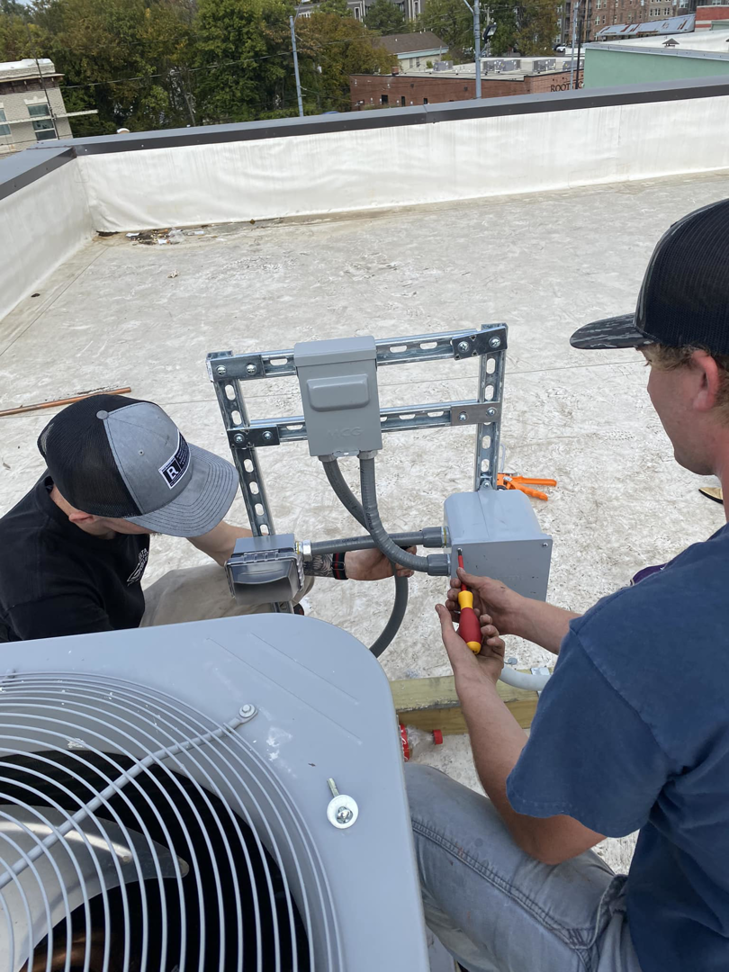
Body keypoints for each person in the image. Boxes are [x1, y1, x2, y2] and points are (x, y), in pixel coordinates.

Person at [406, 197, 729, 972]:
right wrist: (532, 618)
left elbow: (546, 829)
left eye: (649, 361)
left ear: (703, 380)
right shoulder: (661, 631)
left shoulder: (656, 629)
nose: (647, 386)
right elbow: (678, 680)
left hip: (677, 952)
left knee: (400, 799)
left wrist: (473, 682)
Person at [0, 393, 408, 642]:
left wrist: (342, 562)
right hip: (73, 672)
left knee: (279, 578)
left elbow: (228, 546)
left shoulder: (97, 473)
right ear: (86, 517)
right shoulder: (40, 586)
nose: (180, 517)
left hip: (122, 621)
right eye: (165, 514)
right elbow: (102, 698)